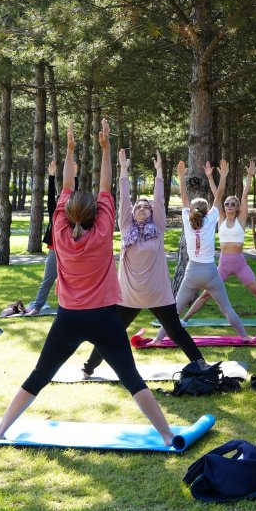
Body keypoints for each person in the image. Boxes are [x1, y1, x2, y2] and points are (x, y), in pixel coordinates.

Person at [0, 121, 178, 445]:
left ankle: (0, 429)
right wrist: (106, 150)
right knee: (132, 379)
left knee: (40, 375)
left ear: (66, 213)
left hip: (69, 319)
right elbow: (106, 187)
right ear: (96, 214)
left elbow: (67, 183)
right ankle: (166, 434)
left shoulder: (62, 233)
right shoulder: (104, 229)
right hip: (105, 318)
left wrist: (69, 150)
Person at [81, 149, 204, 377]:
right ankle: (88, 367)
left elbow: (159, 200)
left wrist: (159, 172)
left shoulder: (157, 228)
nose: (142, 208)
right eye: (139, 206)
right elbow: (124, 199)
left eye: (146, 207)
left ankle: (200, 364)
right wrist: (124, 170)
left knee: (176, 331)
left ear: (152, 213)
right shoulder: (126, 227)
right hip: (129, 294)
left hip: (158, 293)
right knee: (112, 333)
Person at [179, 160, 256, 339]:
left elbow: (245, 195)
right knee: (205, 295)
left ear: (238, 207)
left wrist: (249, 176)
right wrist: (210, 177)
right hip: (223, 266)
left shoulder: (241, 221)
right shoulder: (220, 219)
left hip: (240, 265)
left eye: (233, 204)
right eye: (228, 204)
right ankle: (184, 319)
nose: (230, 206)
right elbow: (218, 196)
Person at [169, 160, 248, 338]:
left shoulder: (187, 219)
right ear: (206, 210)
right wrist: (224, 176)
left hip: (191, 272)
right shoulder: (211, 218)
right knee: (226, 308)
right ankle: (245, 336)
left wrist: (181, 177)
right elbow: (219, 197)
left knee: (174, 312)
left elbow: (183, 198)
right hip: (210, 272)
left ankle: (158, 338)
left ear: (192, 210)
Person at [22, 160, 59, 317]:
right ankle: (37, 307)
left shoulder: (73, 216)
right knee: (48, 280)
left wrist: (75, 177)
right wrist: (51, 177)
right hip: (55, 252)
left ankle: (79, 307)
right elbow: (51, 198)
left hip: (72, 253)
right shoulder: (55, 214)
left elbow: (74, 193)